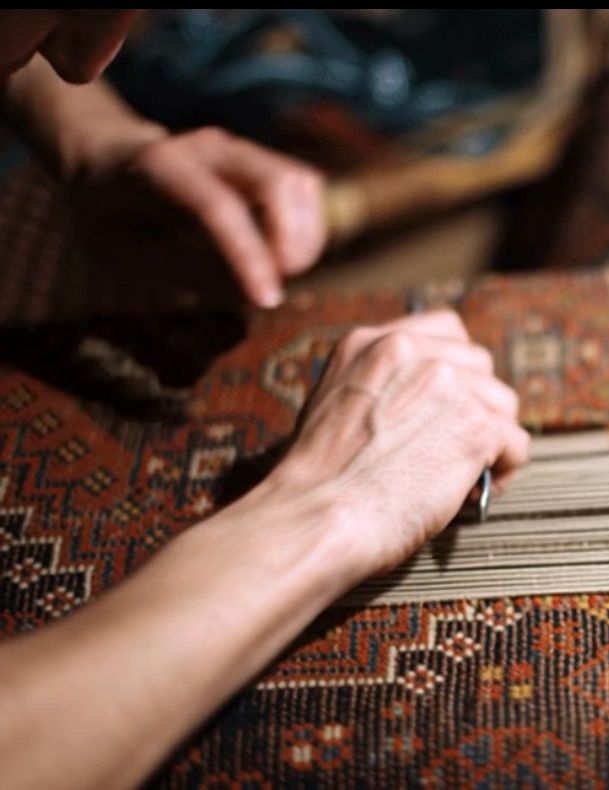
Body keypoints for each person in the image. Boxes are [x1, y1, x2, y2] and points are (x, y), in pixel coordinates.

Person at [0, 11, 530, 788]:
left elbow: (71, 74)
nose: (86, 60)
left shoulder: (74, 71)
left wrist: (98, 138)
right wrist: (325, 508)